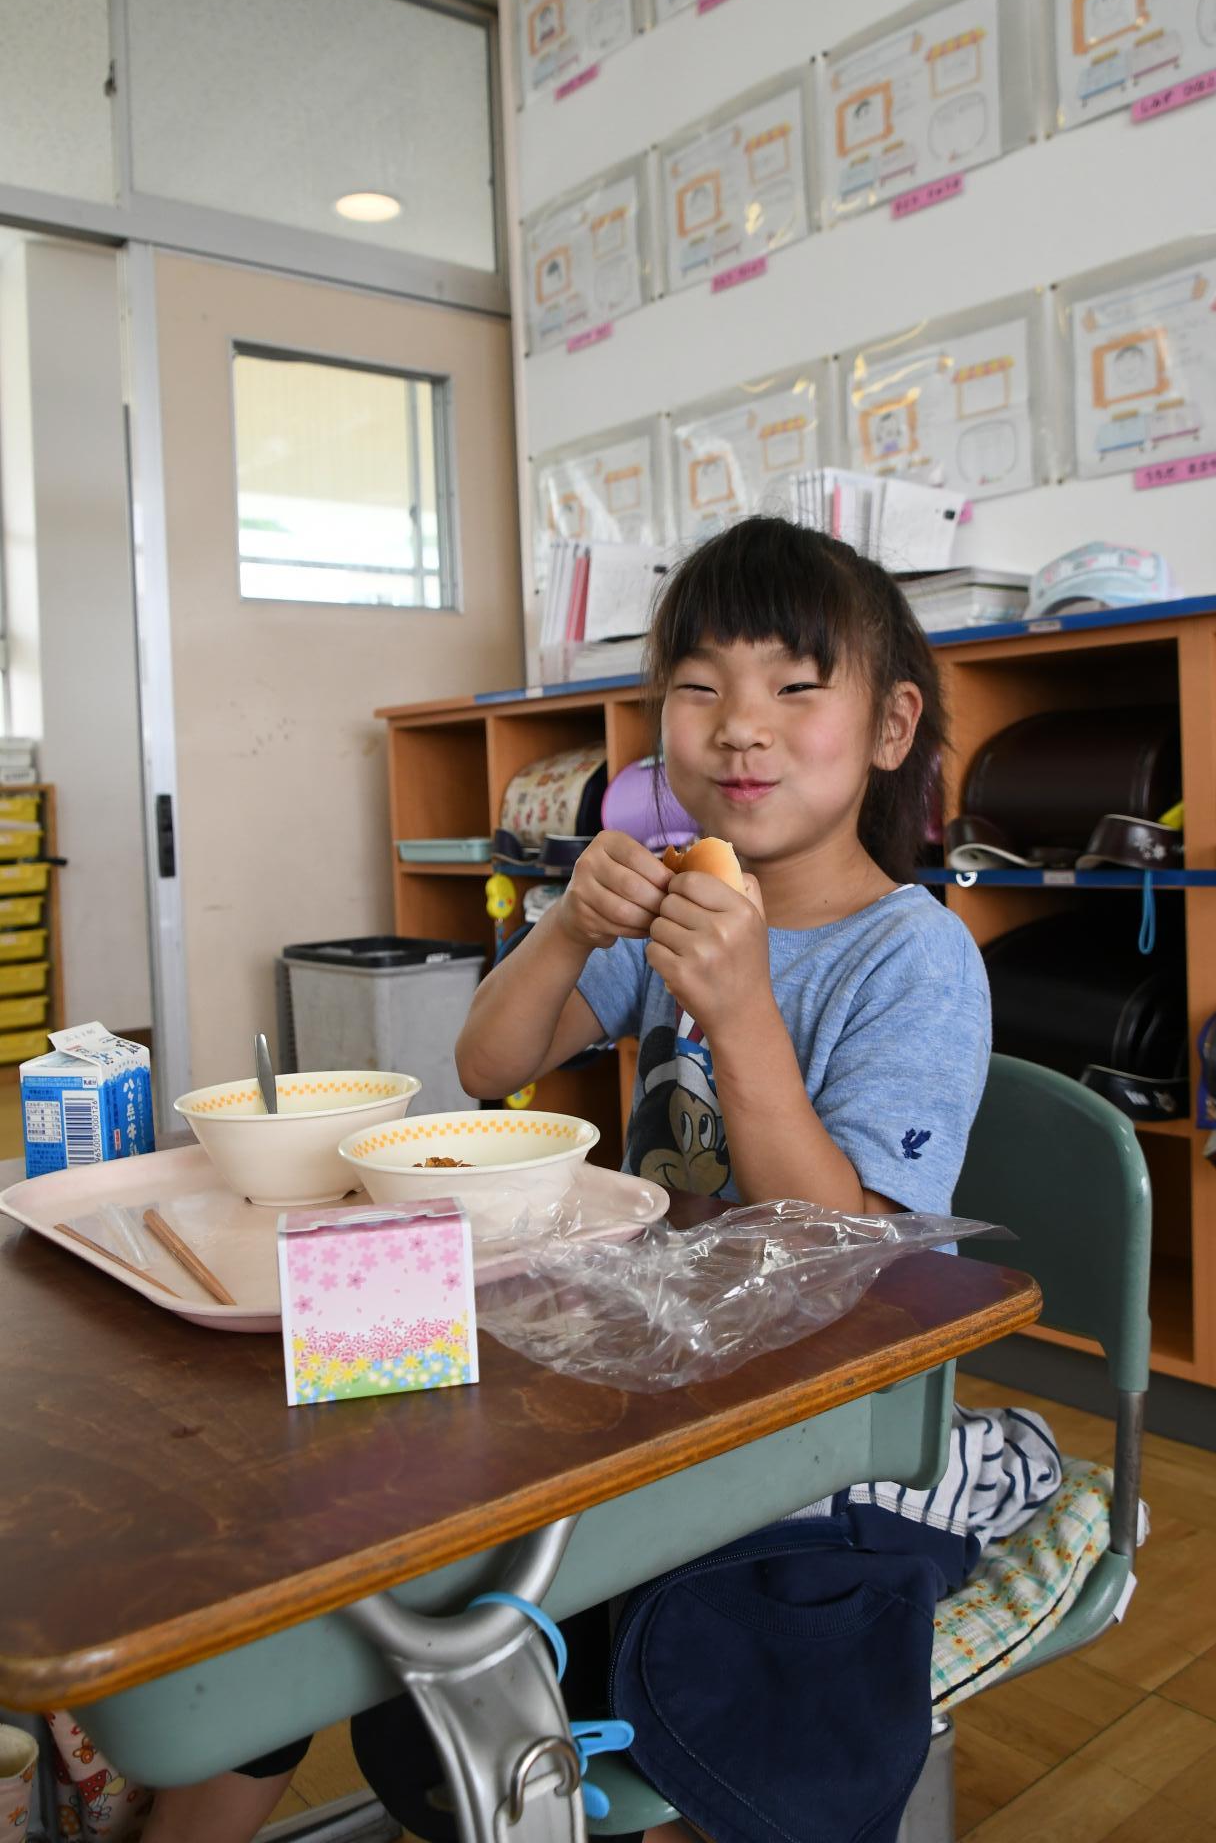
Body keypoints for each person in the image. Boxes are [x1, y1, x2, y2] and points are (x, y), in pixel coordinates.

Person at [144, 516, 990, 1842]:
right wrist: (568, 924)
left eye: (791, 686)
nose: (737, 727)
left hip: (797, 1414)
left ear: (889, 727)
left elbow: (846, 1247)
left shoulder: (912, 958)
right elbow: (488, 1064)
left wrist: (745, 1009)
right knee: (333, 1513)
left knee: (528, 1599)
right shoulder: (665, 902)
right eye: (698, 689)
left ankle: (564, 1770)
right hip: (638, 1367)